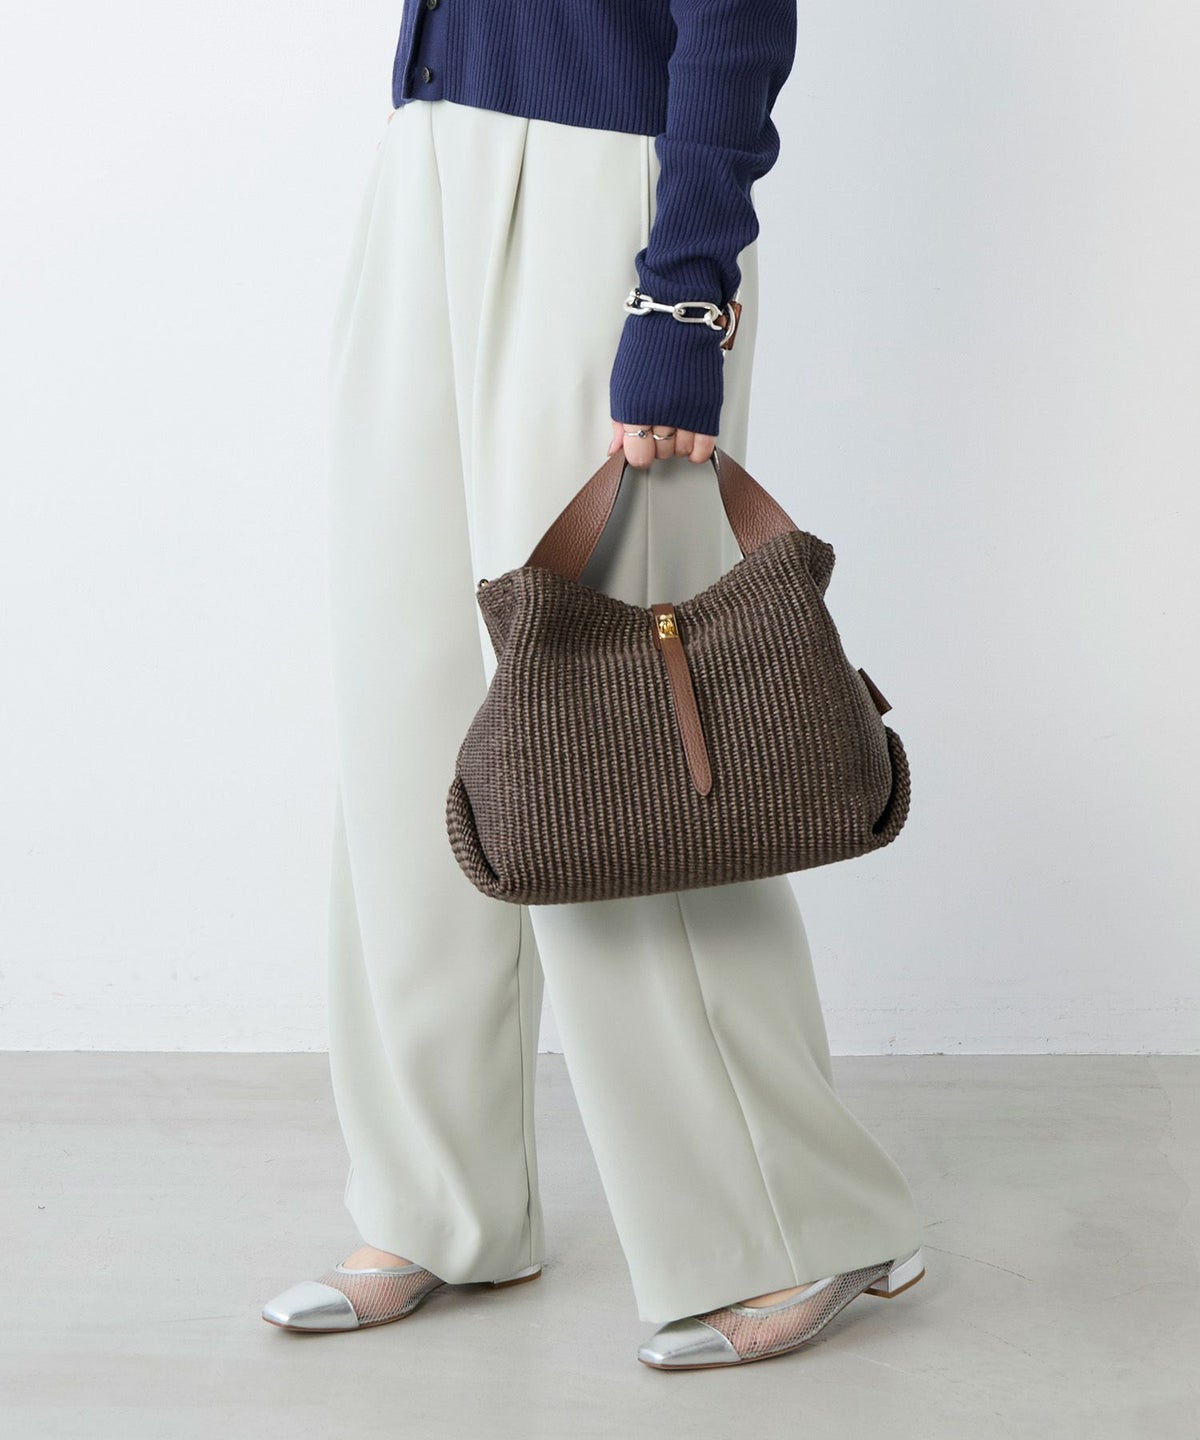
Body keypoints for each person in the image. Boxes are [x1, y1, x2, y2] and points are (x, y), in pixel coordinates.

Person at [261, 0, 926, 1370]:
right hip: (430, 157)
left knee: (626, 737)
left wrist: (685, 280)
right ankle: (437, 1200)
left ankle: (796, 1220)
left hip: (601, 189)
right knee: (406, 701)